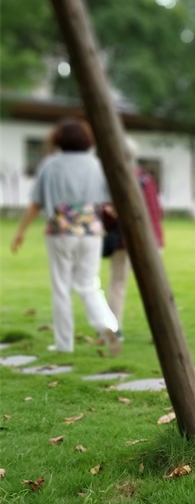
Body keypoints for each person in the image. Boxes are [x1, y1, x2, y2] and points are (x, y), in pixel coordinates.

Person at [9, 118, 121, 355]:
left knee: (61, 287)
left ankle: (63, 344)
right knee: (89, 284)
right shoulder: (96, 165)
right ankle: (108, 326)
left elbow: (36, 203)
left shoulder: (51, 165)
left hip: (60, 231)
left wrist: (20, 232)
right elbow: (111, 201)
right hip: (91, 230)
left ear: (58, 139)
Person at [103, 138, 164, 340]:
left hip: (125, 241)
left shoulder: (115, 180)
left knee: (117, 284)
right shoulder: (146, 179)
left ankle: (115, 330)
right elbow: (157, 210)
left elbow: (108, 213)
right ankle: (163, 333)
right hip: (151, 240)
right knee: (155, 286)